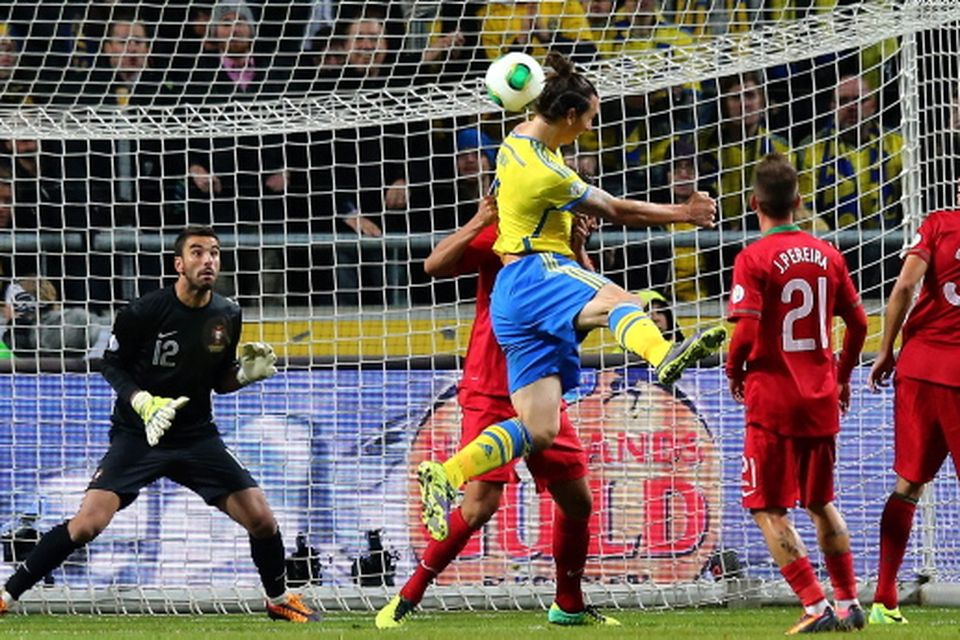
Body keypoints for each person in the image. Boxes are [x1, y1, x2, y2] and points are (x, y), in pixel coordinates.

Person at [415, 52, 725, 587]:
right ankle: (664, 354)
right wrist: (685, 213)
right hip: (537, 272)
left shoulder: (516, 141)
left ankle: (447, 473)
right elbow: (618, 209)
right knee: (623, 300)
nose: (591, 126)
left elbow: (537, 110)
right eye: (590, 117)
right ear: (569, 114)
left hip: (513, 301)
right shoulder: (546, 172)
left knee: (539, 428)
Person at [0, 226, 319, 624]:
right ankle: (7, 594)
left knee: (262, 518)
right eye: (198, 253)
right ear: (178, 264)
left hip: (195, 436)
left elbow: (219, 382)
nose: (208, 261)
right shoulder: (144, 311)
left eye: (215, 253)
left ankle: (278, 598)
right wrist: (143, 402)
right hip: (139, 433)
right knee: (86, 525)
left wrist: (245, 375)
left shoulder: (227, 313)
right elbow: (111, 364)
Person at [377, 198, 614, 628]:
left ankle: (569, 604)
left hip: (540, 382)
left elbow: (592, 300)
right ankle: (406, 598)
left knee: (577, 501)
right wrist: (480, 220)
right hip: (490, 384)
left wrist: (579, 248)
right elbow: (434, 266)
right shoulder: (506, 233)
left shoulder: (559, 234)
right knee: (479, 506)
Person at [725, 153, 868, 634]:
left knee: (766, 505)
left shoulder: (753, 257)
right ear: (800, 202)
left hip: (773, 399)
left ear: (753, 203)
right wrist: (843, 375)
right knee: (821, 501)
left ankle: (813, 604)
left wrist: (733, 370)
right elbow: (860, 322)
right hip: (820, 396)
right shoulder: (829, 254)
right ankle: (848, 602)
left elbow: (744, 335)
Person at [866, 207, 960, 625]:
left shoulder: (939, 224)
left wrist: (885, 350)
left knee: (908, 485)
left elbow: (905, 285)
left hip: (920, 368)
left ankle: (884, 599)